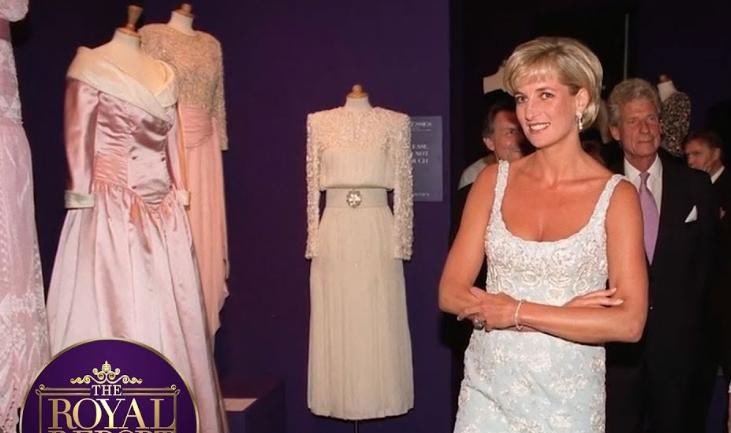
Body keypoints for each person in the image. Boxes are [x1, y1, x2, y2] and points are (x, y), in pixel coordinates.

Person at [439, 36, 648, 433]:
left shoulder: (616, 196)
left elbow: (629, 322)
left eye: (545, 95)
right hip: (488, 392)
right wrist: (565, 314)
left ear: (581, 99)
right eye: (521, 98)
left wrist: (517, 312)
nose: (529, 112)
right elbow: (450, 293)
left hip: (567, 397)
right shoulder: (492, 181)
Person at [604, 79, 716, 433]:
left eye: (651, 118)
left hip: (680, 355)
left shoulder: (695, 186)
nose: (645, 129)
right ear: (615, 130)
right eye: (634, 121)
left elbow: (711, 269)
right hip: (616, 356)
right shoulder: (598, 187)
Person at [458, 94, 526, 189]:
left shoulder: (543, 174)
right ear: (490, 142)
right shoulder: (474, 177)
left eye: (523, 130)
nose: (520, 138)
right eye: (510, 132)